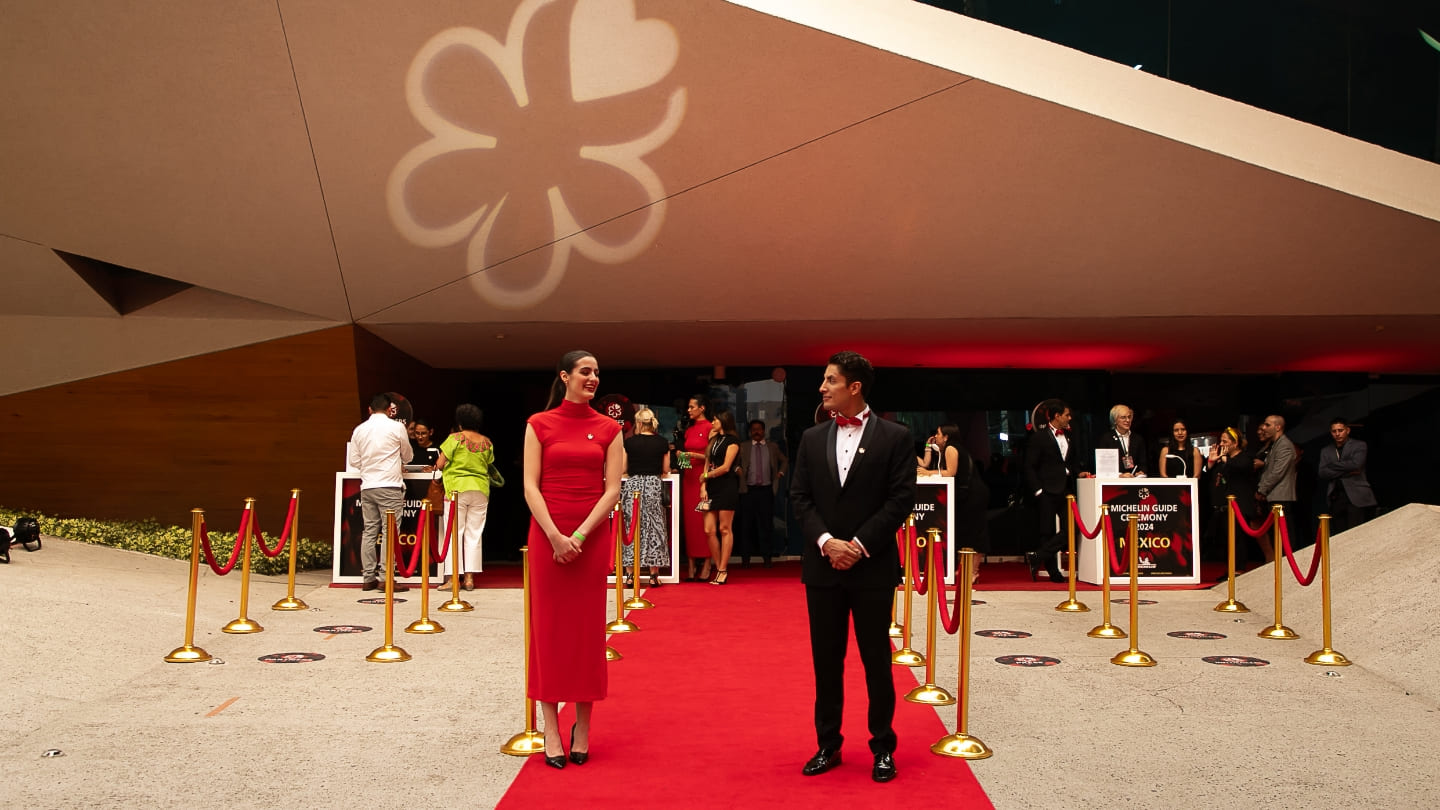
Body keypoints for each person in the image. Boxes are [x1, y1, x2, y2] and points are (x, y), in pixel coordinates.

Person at [791, 351, 916, 784]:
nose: (823, 388)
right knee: (826, 660)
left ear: (854, 387)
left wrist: (858, 545)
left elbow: (899, 501)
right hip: (823, 568)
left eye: (830, 380)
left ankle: (883, 746)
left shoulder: (896, 437)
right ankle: (828, 744)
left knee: (876, 658)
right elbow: (799, 498)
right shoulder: (811, 438)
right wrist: (827, 543)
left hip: (872, 567)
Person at [522, 350, 623, 769]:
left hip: (590, 537)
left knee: (585, 630)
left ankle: (583, 724)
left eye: (597, 372)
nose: (593, 378)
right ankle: (549, 725)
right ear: (565, 376)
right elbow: (530, 485)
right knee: (547, 628)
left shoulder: (609, 428)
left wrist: (578, 535)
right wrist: (554, 536)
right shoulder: (538, 424)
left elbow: (612, 490)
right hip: (548, 535)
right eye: (585, 371)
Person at [347, 393, 413, 592]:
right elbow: (408, 456)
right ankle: (387, 578)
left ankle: (368, 577)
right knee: (389, 533)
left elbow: (354, 462)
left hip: (367, 486)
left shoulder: (359, 430)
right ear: (389, 410)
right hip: (390, 485)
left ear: (369, 409)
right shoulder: (396, 427)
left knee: (369, 531)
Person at [1023, 399, 1090, 583]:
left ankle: (1037, 556)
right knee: (1047, 531)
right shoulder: (1039, 437)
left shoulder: (1069, 435)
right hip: (1046, 490)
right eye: (1067, 415)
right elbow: (1030, 466)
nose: (1070, 418)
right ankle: (1053, 572)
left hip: (1066, 489)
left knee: (1073, 527)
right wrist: (1037, 490)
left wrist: (1079, 473)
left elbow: (1071, 462)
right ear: (1057, 416)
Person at [434, 404, 498, 591]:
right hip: (480, 491)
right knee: (474, 534)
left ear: (460, 423)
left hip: (457, 490)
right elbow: (489, 464)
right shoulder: (487, 442)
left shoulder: (455, 439)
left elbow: (440, 464)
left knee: (454, 534)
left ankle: (453, 579)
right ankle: (469, 579)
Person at [917, 424, 990, 580]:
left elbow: (950, 472)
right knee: (964, 531)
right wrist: (929, 446)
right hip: (967, 494)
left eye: (938, 434)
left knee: (974, 533)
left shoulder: (951, 448)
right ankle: (965, 569)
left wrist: (928, 473)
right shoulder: (950, 448)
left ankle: (973, 572)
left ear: (946, 437)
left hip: (972, 494)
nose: (935, 436)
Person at [621, 407, 671, 586]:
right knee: (655, 528)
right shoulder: (662, 442)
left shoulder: (630, 442)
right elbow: (666, 469)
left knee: (631, 527)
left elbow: (623, 469)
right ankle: (653, 574)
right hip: (653, 486)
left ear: (639, 423)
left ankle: (629, 575)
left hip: (633, 486)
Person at [1204, 427, 1262, 565]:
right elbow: (1211, 478)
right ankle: (1230, 569)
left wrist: (1224, 459)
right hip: (1224, 506)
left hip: (1240, 506)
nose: (1221, 444)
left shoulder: (1245, 458)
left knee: (1238, 539)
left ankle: (1239, 568)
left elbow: (1241, 466)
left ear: (1235, 443)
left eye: (1224, 441)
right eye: (1221, 441)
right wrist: (1211, 463)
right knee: (1225, 540)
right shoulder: (1224, 460)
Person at [699, 411, 741, 584]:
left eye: (715, 419)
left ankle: (722, 569)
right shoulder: (713, 440)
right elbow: (707, 463)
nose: (713, 422)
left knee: (725, 529)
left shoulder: (733, 442)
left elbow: (725, 467)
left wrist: (707, 476)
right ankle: (719, 566)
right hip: (711, 487)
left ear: (723, 422)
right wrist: (703, 485)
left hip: (726, 486)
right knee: (709, 530)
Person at [737, 418, 786, 568]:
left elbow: (784, 460)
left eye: (759, 429)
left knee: (766, 526)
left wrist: (781, 473)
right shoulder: (743, 446)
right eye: (754, 429)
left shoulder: (772, 447)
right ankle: (745, 559)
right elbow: (734, 462)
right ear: (750, 432)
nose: (756, 432)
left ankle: (767, 558)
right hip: (748, 491)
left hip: (766, 491)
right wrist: (736, 470)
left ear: (763, 431)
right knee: (746, 526)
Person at [1317, 417, 1377, 534]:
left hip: (1357, 496)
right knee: (1340, 535)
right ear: (1331, 433)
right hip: (1336, 497)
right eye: (1334, 431)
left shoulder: (1359, 445)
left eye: (1340, 430)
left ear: (1347, 430)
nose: (1337, 434)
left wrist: (1332, 466)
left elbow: (1356, 464)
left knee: (1357, 533)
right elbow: (1322, 472)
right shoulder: (1326, 450)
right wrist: (1347, 470)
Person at [677, 395, 714, 581]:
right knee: (690, 523)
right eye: (688, 407)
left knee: (704, 522)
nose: (689, 410)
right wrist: (682, 458)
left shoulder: (710, 427)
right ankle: (691, 564)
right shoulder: (689, 430)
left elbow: (713, 457)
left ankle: (707, 563)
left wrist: (694, 455)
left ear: (702, 408)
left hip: (703, 479)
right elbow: (686, 461)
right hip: (689, 478)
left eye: (692, 407)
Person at [1254, 414, 1298, 558]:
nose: (1264, 428)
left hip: (1281, 497)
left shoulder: (1284, 445)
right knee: (1277, 538)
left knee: (1285, 538)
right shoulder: (1275, 445)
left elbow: (1277, 473)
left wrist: (1261, 490)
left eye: (1267, 425)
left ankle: (1288, 568)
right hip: (1273, 496)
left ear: (1278, 427)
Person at [1094, 404, 1149, 477]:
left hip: (1134, 480)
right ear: (1115, 420)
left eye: (1129, 417)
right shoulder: (1106, 439)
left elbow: (1143, 463)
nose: (1127, 420)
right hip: (1114, 482)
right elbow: (1103, 467)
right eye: (1123, 417)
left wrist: (1141, 472)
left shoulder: (1138, 439)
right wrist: (1120, 475)